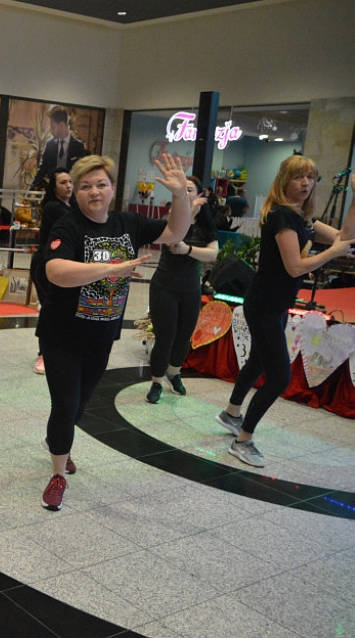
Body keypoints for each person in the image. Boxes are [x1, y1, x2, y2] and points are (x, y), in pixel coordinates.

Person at [39, 153, 191, 511]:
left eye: (101, 184)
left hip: (102, 334)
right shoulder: (68, 224)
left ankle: (56, 442)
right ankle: (58, 474)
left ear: (112, 189)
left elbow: (176, 232)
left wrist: (182, 195)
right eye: (85, 186)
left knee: (80, 404)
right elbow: (55, 271)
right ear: (75, 192)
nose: (94, 192)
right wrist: (109, 268)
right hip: (61, 332)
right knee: (65, 404)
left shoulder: (127, 223)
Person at [216, 155, 355, 468]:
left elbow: (343, 238)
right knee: (279, 377)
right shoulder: (281, 216)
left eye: (310, 177)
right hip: (265, 305)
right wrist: (331, 253)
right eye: (298, 177)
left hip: (274, 304)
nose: (305, 183)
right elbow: (295, 267)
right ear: (284, 181)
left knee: (258, 361)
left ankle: (232, 414)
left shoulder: (300, 217)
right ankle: (243, 441)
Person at [145, 176, 218, 403]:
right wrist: (189, 212)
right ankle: (156, 381)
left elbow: (213, 254)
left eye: (190, 190)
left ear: (198, 196)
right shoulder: (172, 217)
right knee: (165, 337)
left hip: (190, 289)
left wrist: (188, 249)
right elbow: (173, 243)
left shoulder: (206, 226)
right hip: (164, 286)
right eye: (182, 190)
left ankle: (174, 373)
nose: (186, 193)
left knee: (183, 337)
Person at [29, 168, 74, 374]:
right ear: (54, 187)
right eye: (63, 182)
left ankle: (57, 350)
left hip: (61, 265)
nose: (69, 186)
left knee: (60, 309)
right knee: (49, 308)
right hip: (44, 265)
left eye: (70, 182)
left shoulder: (70, 206)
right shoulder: (54, 207)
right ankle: (43, 353)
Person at [31, 106, 89, 190]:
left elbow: (81, 173)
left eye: (53, 127)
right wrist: (29, 192)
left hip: (70, 195)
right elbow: (41, 171)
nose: (50, 130)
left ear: (61, 125)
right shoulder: (49, 144)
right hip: (52, 194)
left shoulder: (78, 146)